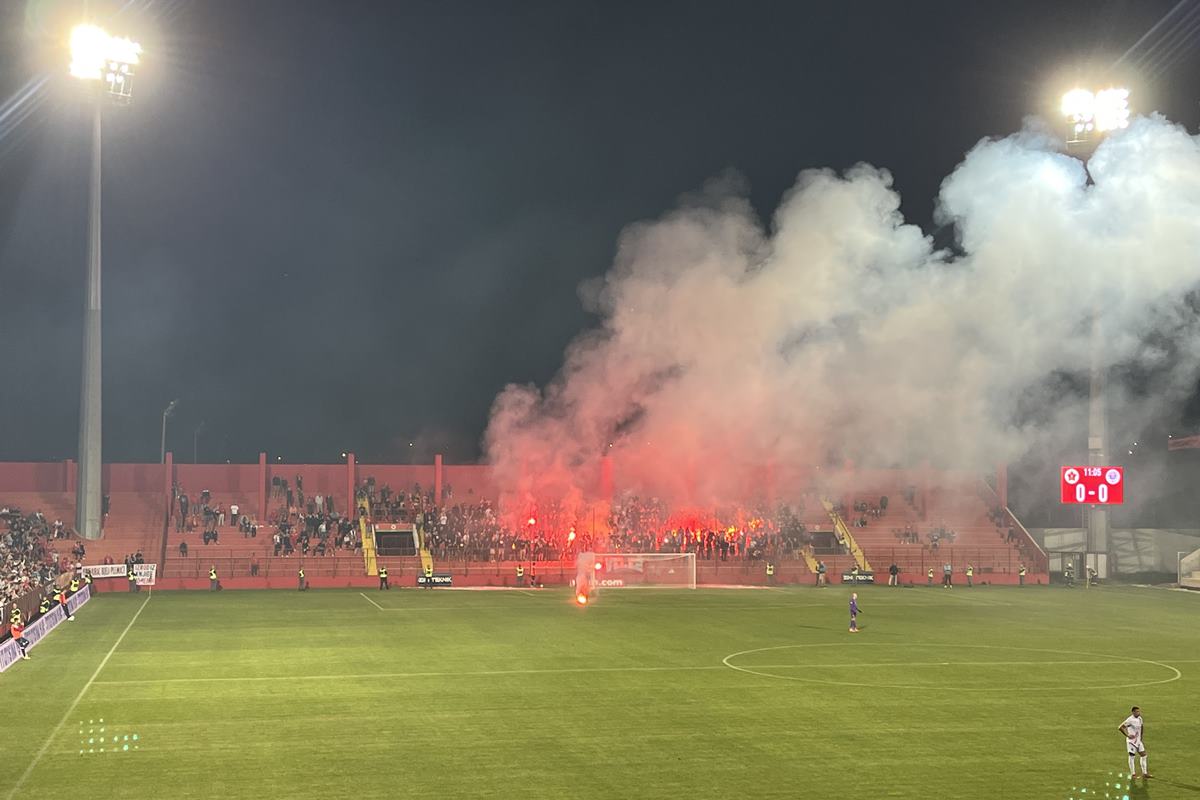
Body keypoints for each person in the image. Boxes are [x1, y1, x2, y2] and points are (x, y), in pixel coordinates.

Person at [1119, 707, 1150, 779]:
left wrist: (1141, 737)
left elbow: (1142, 727)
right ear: (1133, 712)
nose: (1138, 713)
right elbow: (1120, 727)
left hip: (1138, 741)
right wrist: (1127, 735)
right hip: (1131, 742)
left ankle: (1144, 773)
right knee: (1132, 756)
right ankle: (1133, 774)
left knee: (1144, 755)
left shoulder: (1140, 718)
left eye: (1139, 711)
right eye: (1137, 712)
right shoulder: (1130, 720)